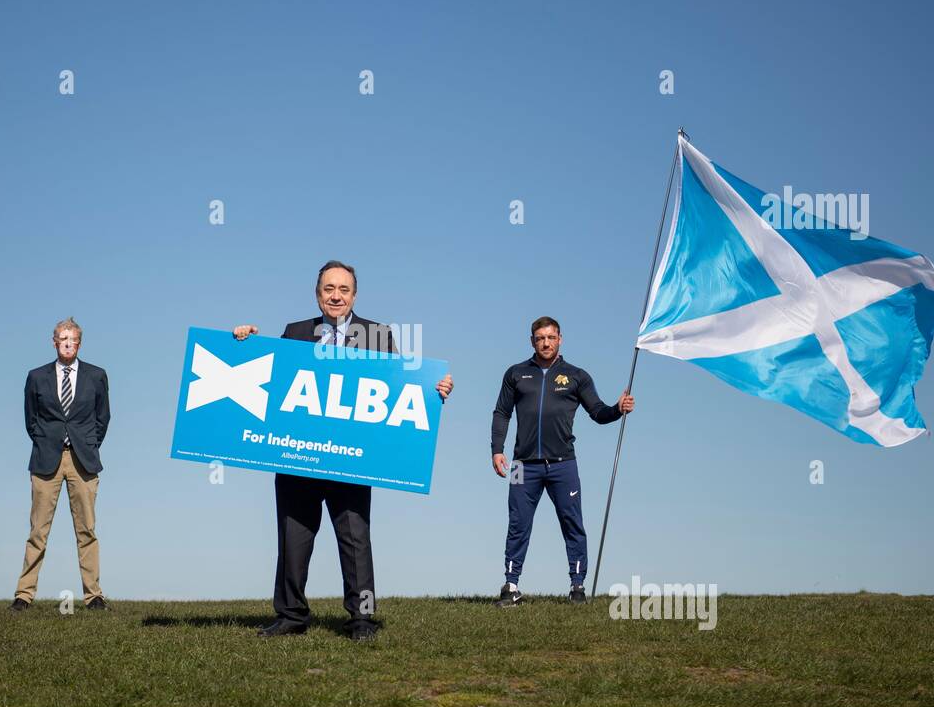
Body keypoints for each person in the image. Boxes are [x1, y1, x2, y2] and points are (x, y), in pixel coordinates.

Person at [233, 260, 454, 640]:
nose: (336, 296)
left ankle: (362, 619)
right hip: (298, 457)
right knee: (293, 538)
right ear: (317, 293)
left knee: (355, 541)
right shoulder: (295, 332)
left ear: (354, 294)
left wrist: (436, 390)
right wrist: (244, 344)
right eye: (328, 289)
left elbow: (401, 388)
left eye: (343, 289)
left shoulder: (378, 335)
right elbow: (268, 378)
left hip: (351, 461)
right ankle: (291, 616)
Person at [490, 316, 634, 606]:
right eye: (540, 338)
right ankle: (511, 585)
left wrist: (618, 409)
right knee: (517, 523)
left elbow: (598, 412)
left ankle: (577, 587)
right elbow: (501, 412)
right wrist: (497, 448)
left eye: (551, 337)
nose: (546, 343)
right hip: (521, 464)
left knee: (572, 523)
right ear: (532, 341)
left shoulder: (577, 376)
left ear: (560, 339)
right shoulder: (516, 374)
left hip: (563, 464)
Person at [12, 318, 111, 611]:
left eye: (73, 339)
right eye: (62, 339)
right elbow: (31, 419)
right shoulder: (36, 376)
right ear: (54, 342)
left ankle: (93, 596)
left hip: (83, 460)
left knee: (87, 530)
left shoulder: (97, 376)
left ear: (79, 343)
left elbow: (102, 418)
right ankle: (24, 595)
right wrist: (47, 442)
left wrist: (88, 445)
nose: (67, 343)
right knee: (38, 531)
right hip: (46, 460)